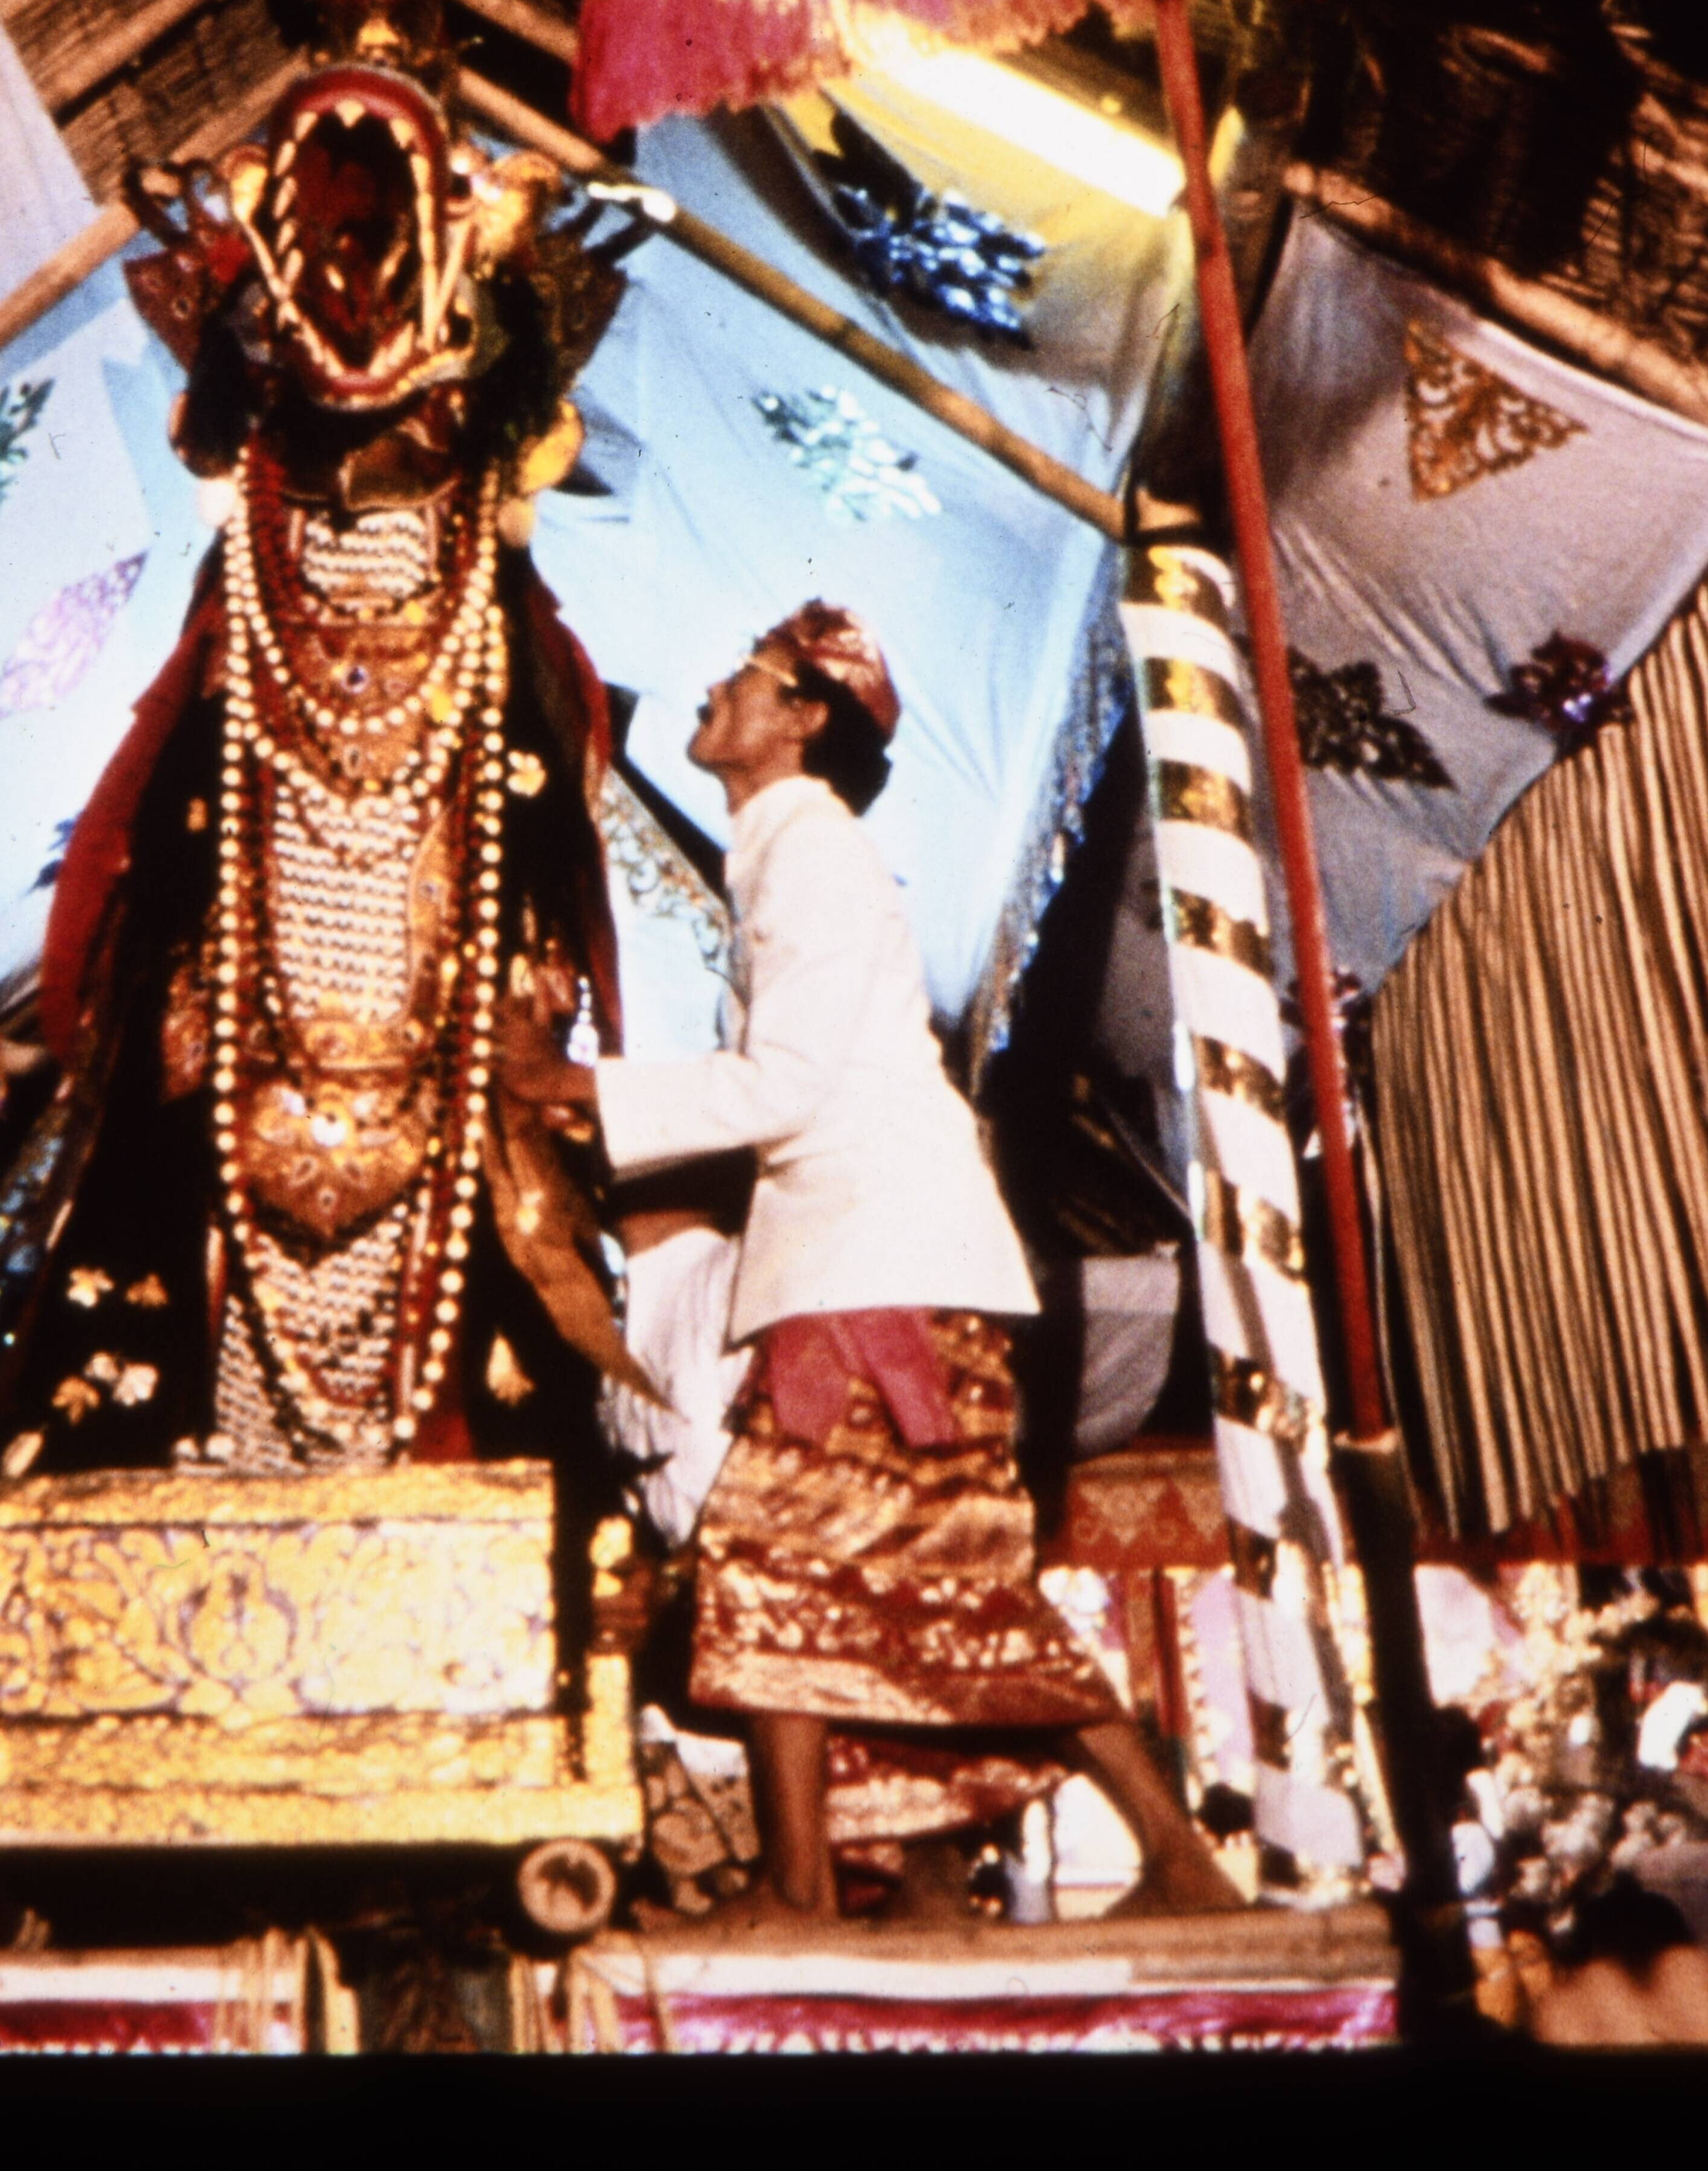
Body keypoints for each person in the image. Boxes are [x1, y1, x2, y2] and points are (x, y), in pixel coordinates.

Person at [500, 602, 1243, 1926]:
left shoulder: (811, 852)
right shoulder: (782, 852)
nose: (714, 690)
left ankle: (815, 1885)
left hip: (871, 1264)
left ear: (802, 720)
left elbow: (781, 1086)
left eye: (746, 677)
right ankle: (1122, 1862)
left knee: (784, 1549)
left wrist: (575, 1087)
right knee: (914, 1568)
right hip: (865, 1257)